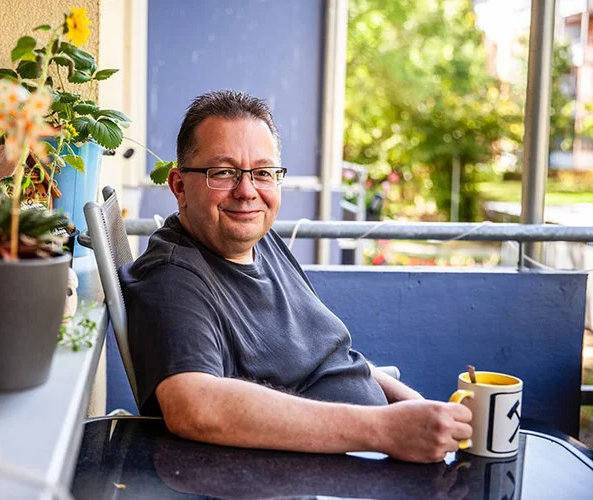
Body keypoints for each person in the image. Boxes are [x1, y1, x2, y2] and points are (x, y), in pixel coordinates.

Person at [121, 89, 472, 463]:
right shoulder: (173, 278)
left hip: (377, 455)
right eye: (223, 172)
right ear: (179, 186)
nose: (247, 191)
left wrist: (410, 402)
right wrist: (385, 429)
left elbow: (326, 352)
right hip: (322, 475)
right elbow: (195, 406)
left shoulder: (260, 240)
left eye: (263, 173)